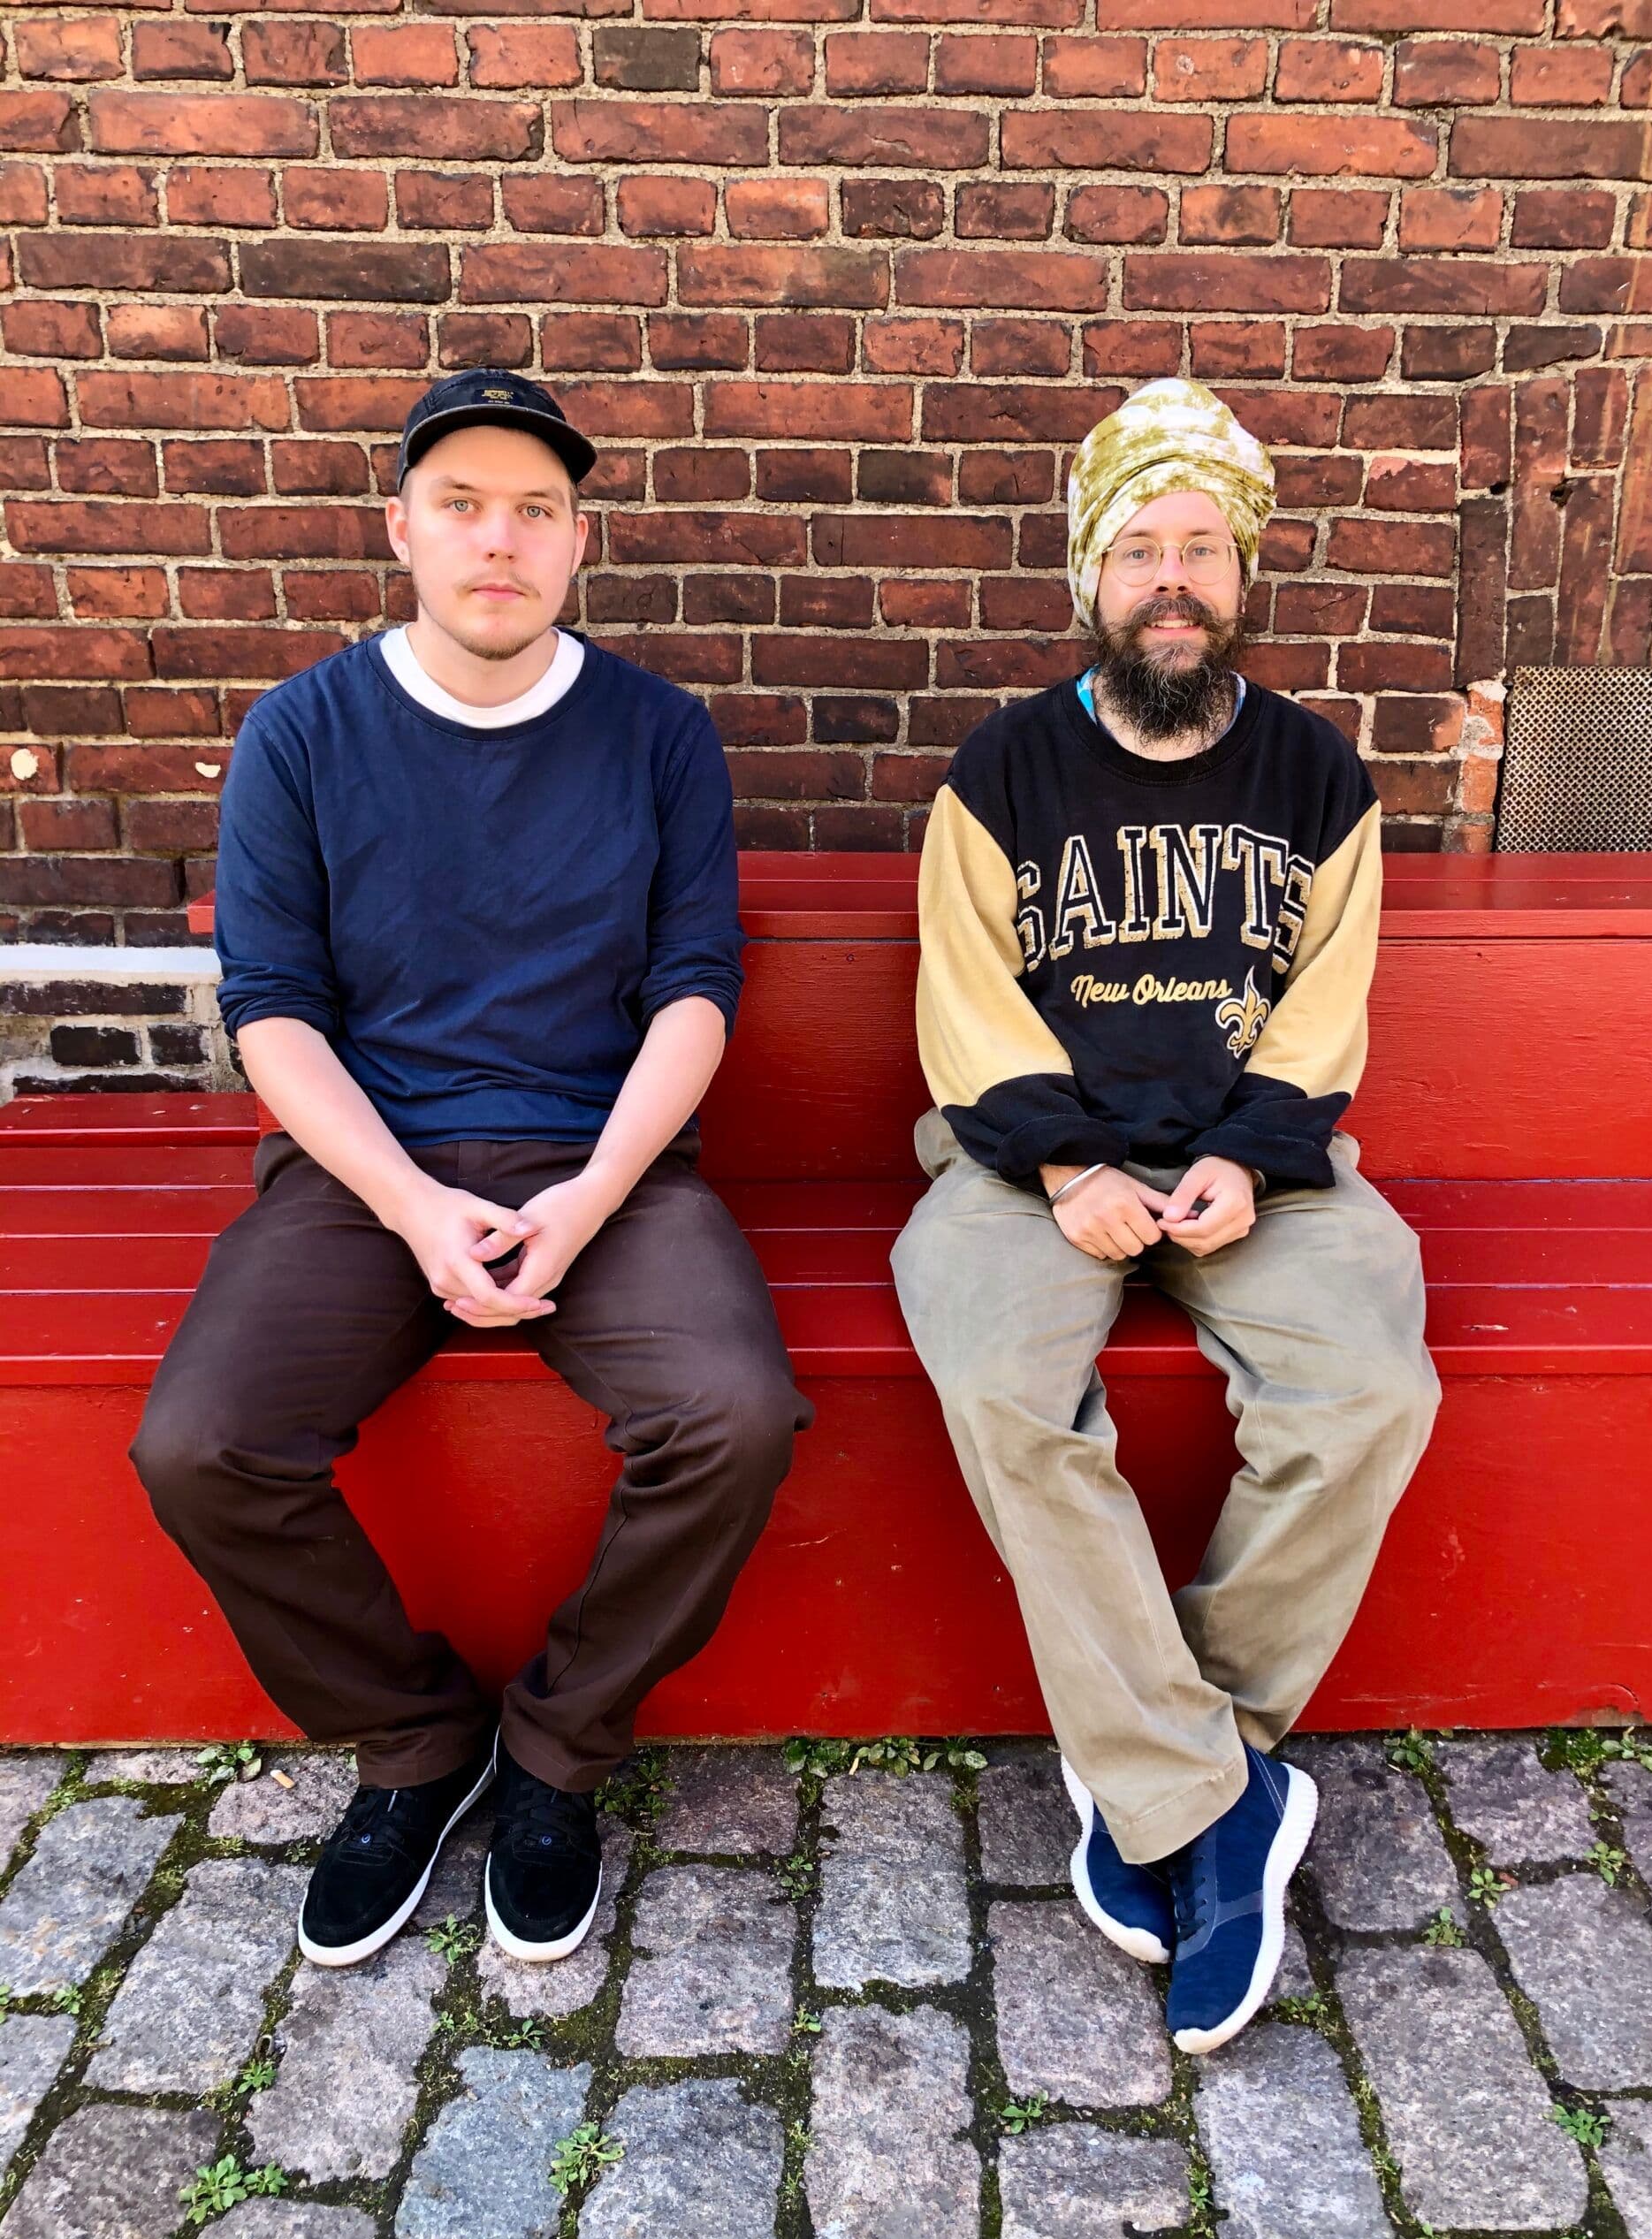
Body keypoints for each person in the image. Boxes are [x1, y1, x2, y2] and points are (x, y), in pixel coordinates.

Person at [130, 369, 813, 1970]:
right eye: (461, 505)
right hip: (366, 1166)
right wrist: (410, 1203)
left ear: (578, 541)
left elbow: (694, 991)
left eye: (534, 510)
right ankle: (417, 1743)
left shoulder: (658, 733)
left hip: (605, 1158)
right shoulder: (303, 732)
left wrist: (591, 1197)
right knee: (202, 1446)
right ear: (402, 530)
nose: (497, 540)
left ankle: (557, 1753)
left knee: (731, 1417)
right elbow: (274, 1012)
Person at [891, 376, 1441, 2055]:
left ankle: (1179, 1770)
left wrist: (1252, 1162)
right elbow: (966, 998)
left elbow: (1325, 1007)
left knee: (1368, 1390)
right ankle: (1218, 1801)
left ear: (1243, 572)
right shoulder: (1003, 770)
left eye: (1203, 547)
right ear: (1093, 577)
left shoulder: (1314, 774)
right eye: (1141, 550)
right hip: (1028, 1162)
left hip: (1246, 1159)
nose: (1173, 580)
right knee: (1003, 1388)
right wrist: (1068, 1167)